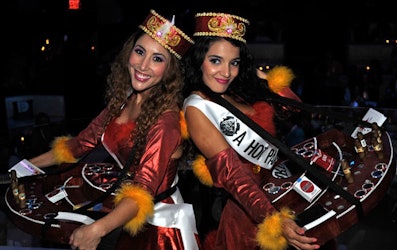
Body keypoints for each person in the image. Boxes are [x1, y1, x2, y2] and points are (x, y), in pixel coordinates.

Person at [28, 9, 201, 250]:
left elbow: (143, 191)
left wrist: (97, 230)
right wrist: (24, 168)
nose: (143, 65)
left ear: (170, 72)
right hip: (122, 213)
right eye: (140, 52)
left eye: (157, 59)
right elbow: (78, 145)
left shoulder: (166, 122)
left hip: (159, 226)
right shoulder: (122, 102)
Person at [182, 12, 322, 250]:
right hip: (249, 209)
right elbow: (232, 175)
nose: (226, 72)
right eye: (215, 60)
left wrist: (257, 74)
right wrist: (273, 218)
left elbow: (292, 106)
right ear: (198, 60)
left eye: (234, 62)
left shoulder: (236, 91)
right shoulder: (197, 107)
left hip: (279, 189)